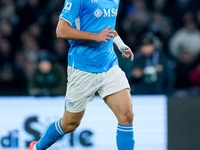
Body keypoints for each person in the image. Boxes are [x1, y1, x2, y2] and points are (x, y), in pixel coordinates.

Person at [29, 0, 135, 150]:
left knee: (127, 116)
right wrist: (94, 36)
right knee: (70, 124)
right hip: (82, 69)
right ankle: (37, 147)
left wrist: (119, 43)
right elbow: (61, 30)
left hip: (109, 66)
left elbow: (106, 26)